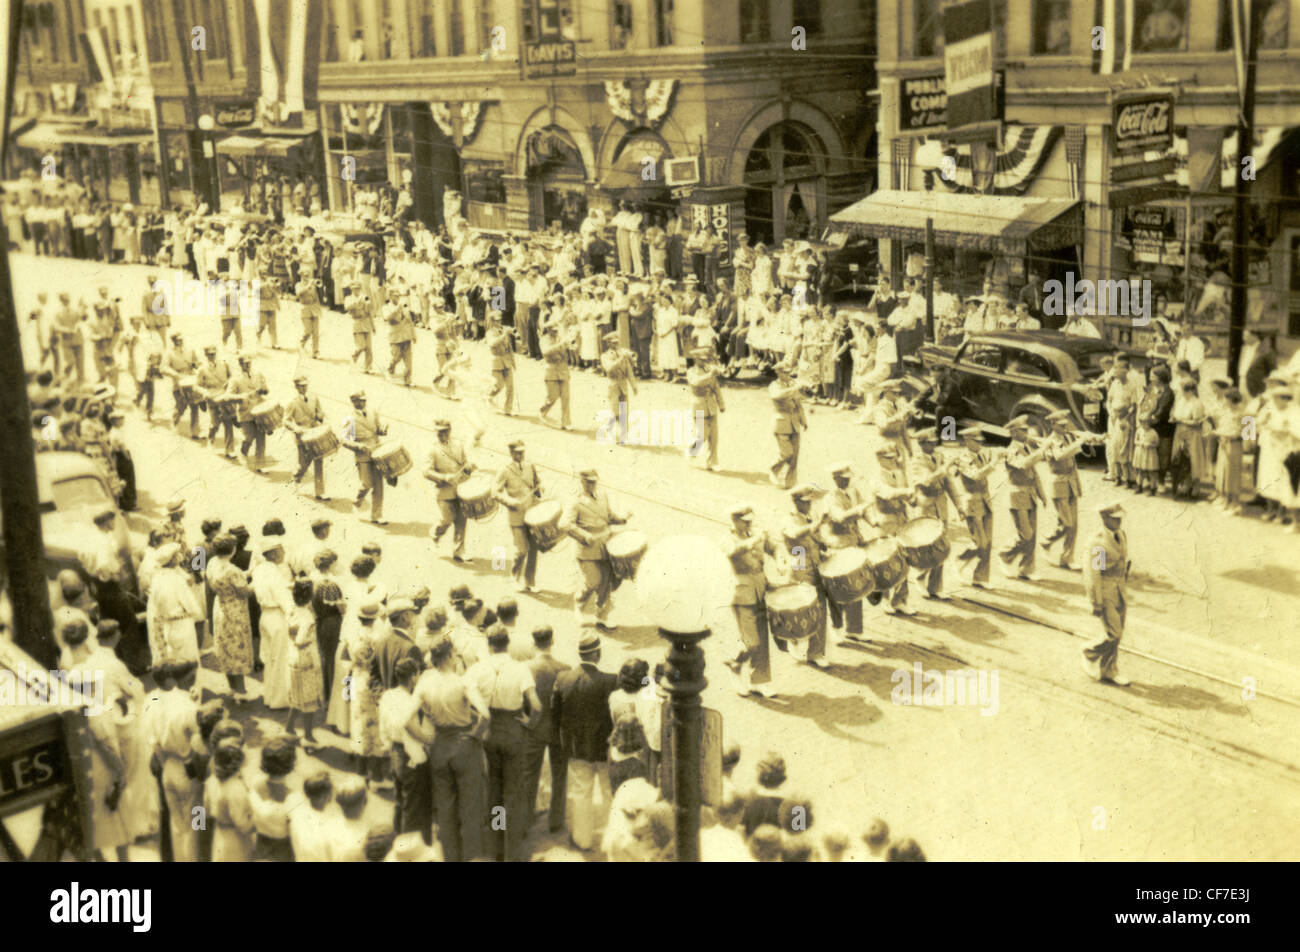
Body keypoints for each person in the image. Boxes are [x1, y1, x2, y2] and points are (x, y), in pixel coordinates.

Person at [466, 626, 542, 862]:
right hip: (513, 731)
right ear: (507, 643)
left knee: (495, 792)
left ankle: (497, 846)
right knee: (514, 791)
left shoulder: (478, 669)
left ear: (489, 645)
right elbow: (537, 707)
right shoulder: (520, 669)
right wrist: (529, 723)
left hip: (490, 733)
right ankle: (515, 848)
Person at [416, 635, 490, 861]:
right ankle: (472, 855)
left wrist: (426, 738)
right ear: (449, 656)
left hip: (440, 743)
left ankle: (449, 856)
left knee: (445, 808)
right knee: (470, 806)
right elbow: (485, 714)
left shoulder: (425, 682)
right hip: (464, 744)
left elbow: (408, 717)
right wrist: (476, 736)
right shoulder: (462, 682)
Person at [553, 632, 618, 851]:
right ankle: (615, 840)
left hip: (577, 747)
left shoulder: (563, 678)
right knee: (610, 793)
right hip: (604, 748)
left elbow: (556, 713)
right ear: (597, 654)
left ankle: (582, 839)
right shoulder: (610, 681)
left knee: (581, 793)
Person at [564, 469, 631, 630]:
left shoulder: (603, 496)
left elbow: (608, 515)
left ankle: (602, 616)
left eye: (595, 481)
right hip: (587, 549)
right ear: (582, 482)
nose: (593, 484)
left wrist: (622, 519)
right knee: (593, 581)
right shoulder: (576, 502)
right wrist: (584, 535)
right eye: (589, 482)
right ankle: (579, 605)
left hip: (605, 545)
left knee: (606, 583)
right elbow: (565, 524)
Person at [380, 656, 435, 845]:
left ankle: (397, 840)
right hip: (411, 754)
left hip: (395, 751)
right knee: (414, 809)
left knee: (400, 802)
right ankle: (412, 849)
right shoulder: (409, 701)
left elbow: (383, 727)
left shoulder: (388, 695)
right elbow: (409, 726)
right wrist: (429, 740)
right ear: (413, 677)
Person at [1082, 502, 1132, 686]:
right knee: (1114, 633)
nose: (1119, 522)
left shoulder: (1121, 535)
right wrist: (1096, 602)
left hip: (1120, 590)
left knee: (1118, 632)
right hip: (1104, 591)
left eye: (1120, 518)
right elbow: (1093, 575)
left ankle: (1109, 670)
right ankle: (1090, 651)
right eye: (1115, 518)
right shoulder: (1098, 543)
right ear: (1104, 519)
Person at [206, 534, 254, 698]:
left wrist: (247, 573)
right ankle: (240, 691)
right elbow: (244, 592)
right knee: (237, 647)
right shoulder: (232, 571)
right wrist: (257, 582)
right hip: (235, 610)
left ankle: (232, 687)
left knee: (226, 647)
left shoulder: (213, 563)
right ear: (233, 549)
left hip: (220, 605)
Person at [999, 416, 1047, 581]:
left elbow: (1034, 474)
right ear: (1013, 433)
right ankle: (1005, 554)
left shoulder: (1027, 448)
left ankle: (1026, 569)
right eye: (1023, 431)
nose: (1027, 433)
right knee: (1025, 534)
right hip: (1017, 495)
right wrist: (1041, 451)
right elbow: (1023, 464)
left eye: (1026, 430)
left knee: (1032, 535)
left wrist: (1042, 495)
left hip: (1030, 494)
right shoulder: (1010, 451)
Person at [950, 428, 997, 588]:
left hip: (985, 500)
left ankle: (980, 578)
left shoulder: (982, 455)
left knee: (988, 543)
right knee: (980, 543)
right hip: (972, 502)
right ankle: (960, 559)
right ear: (968, 441)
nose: (980, 444)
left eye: (981, 441)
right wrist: (993, 464)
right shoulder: (962, 458)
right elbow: (975, 475)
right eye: (977, 441)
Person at [494, 439, 543, 592]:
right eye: (517, 452)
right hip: (516, 516)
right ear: (511, 453)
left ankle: (530, 582)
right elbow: (495, 492)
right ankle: (514, 576)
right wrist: (510, 501)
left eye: (522, 452)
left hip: (532, 514)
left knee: (533, 550)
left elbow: (537, 484)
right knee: (522, 550)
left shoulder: (530, 466)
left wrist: (540, 489)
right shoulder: (505, 470)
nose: (520, 455)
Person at [1040, 410, 1086, 570]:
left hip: (1071, 481)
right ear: (1052, 425)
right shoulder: (1050, 442)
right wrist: (1079, 442)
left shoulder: (1067, 437)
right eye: (1061, 425)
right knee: (1066, 523)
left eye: (1065, 424)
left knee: (1074, 525)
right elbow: (1060, 456)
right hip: (1058, 483)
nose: (1065, 427)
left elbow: (1077, 439)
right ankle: (1046, 541)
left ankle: (1067, 558)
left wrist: (1093, 437)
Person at [252, 535, 294, 709]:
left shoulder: (259, 569)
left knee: (269, 658)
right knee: (280, 658)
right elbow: (284, 598)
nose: (284, 553)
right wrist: (293, 616)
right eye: (282, 550)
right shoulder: (273, 572)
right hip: (276, 616)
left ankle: (269, 696)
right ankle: (279, 699)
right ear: (275, 553)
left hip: (265, 615)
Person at [424, 418, 474, 562]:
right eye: (439, 432)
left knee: (461, 521)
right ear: (436, 432)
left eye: (445, 431)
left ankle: (459, 551)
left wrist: (469, 467)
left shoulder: (458, 445)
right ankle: (434, 534)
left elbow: (464, 462)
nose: (442, 434)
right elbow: (426, 471)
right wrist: (445, 477)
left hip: (461, 489)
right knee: (446, 519)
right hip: (444, 491)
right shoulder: (432, 449)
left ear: (449, 431)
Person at [247, 735, 303, 861]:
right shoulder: (294, 798)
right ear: (291, 764)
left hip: (261, 847)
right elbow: (297, 834)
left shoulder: (255, 784)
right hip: (283, 852)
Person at [286, 579, 324, 747]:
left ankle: (289, 727)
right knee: (309, 699)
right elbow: (301, 640)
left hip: (294, 657)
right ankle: (308, 735)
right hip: (306, 657)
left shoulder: (292, 611)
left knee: (297, 695)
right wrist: (308, 640)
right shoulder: (307, 617)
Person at [205, 740, 255, 861]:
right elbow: (242, 824)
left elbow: (204, 809)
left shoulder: (211, 781)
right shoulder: (236, 788)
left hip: (219, 833)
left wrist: (201, 830)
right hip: (235, 839)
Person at [344, 390, 389, 525]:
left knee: (379, 486)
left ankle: (377, 515)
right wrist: (358, 446)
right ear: (354, 402)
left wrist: (383, 430)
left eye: (364, 400)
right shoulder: (349, 419)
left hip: (376, 452)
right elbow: (345, 441)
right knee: (366, 484)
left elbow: (378, 429)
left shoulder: (373, 413)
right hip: (362, 455)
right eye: (360, 400)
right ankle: (358, 498)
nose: (364, 402)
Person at [285, 375, 328, 500]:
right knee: (303, 464)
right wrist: (295, 428)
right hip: (302, 436)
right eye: (301, 386)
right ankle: (296, 477)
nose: (304, 388)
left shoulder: (314, 398)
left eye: (305, 386)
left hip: (315, 434)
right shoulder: (292, 402)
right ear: (296, 387)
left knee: (319, 460)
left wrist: (321, 415)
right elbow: (286, 421)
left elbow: (319, 412)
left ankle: (319, 492)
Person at [227, 354, 270, 472]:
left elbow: (265, 388)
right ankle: (242, 451)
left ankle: (260, 465)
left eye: (249, 362)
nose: (247, 365)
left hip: (259, 411)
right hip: (245, 412)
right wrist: (242, 396)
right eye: (244, 363)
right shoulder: (235, 379)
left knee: (261, 439)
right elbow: (228, 396)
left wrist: (264, 390)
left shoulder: (258, 375)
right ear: (240, 364)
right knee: (248, 438)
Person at [686, 348, 726, 470]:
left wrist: (721, 404)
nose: (704, 362)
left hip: (711, 405)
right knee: (702, 435)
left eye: (705, 359)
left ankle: (712, 462)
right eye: (701, 360)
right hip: (698, 405)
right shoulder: (691, 371)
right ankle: (692, 451)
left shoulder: (708, 371)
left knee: (714, 437)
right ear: (695, 359)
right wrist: (710, 374)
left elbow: (716, 388)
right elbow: (697, 382)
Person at [600, 332, 637, 444]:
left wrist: (634, 385)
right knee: (615, 412)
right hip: (613, 385)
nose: (616, 345)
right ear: (608, 344)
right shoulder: (605, 356)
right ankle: (609, 431)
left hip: (623, 385)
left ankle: (623, 437)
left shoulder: (623, 353)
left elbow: (629, 371)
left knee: (624, 412)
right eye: (613, 343)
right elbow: (609, 368)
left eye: (617, 342)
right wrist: (620, 359)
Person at [539, 324, 573, 429]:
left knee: (565, 397)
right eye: (553, 331)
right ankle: (543, 411)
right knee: (552, 397)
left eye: (556, 330)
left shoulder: (560, 338)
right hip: (551, 370)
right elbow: (546, 351)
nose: (555, 332)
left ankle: (566, 422)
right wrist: (560, 344)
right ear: (548, 330)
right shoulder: (544, 340)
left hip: (563, 369)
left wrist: (569, 345)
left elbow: (570, 349)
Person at [486, 318, 516, 414]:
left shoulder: (503, 331)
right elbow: (492, 344)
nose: (498, 322)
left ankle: (508, 409)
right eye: (496, 321)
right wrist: (504, 335)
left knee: (510, 387)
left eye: (499, 320)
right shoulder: (489, 333)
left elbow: (509, 348)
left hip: (506, 361)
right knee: (499, 385)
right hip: (497, 361)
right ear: (492, 322)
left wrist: (513, 361)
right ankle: (488, 396)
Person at [386, 293, 417, 386]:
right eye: (395, 296)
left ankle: (408, 380)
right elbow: (389, 318)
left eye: (398, 296)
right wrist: (397, 309)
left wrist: (414, 335)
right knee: (396, 357)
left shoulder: (404, 308)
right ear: (390, 296)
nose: (397, 298)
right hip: (395, 337)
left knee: (408, 361)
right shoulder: (386, 307)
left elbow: (410, 322)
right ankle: (390, 369)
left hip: (406, 336)